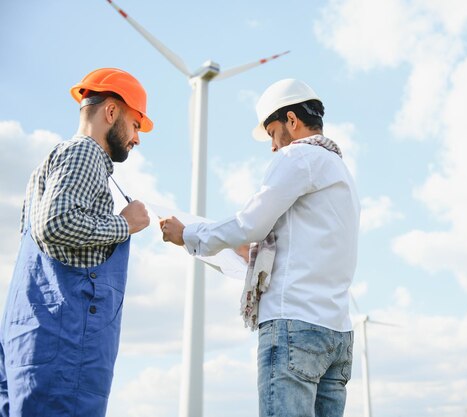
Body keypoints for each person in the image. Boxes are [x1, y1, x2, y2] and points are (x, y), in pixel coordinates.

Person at [161, 78, 360, 417]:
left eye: (272, 133)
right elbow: (301, 242)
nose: (272, 146)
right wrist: (245, 251)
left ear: (292, 121)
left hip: (294, 324)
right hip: (338, 334)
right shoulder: (340, 170)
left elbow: (248, 223)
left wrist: (189, 235)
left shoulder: (299, 156)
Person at [0, 68, 152, 417]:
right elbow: (56, 224)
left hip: (34, 339)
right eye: (135, 124)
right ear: (111, 112)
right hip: (64, 348)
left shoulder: (52, 160)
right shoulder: (85, 153)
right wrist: (124, 224)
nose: (137, 138)